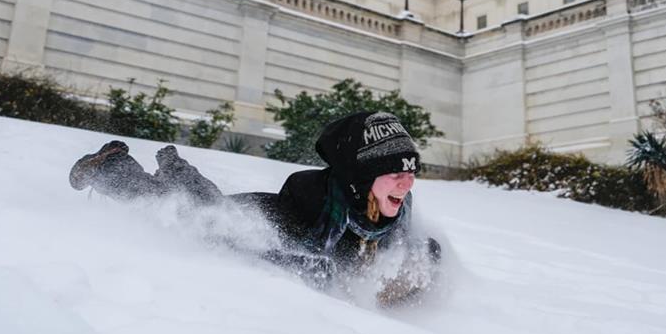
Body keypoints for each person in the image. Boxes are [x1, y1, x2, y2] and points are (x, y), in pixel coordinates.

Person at [68, 111, 440, 303]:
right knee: (183, 210)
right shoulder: (318, 204)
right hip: (255, 221)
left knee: (197, 199)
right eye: (393, 173)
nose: (406, 183)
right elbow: (293, 262)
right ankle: (110, 167)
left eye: (411, 172)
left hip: (269, 229)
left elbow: (402, 256)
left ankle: (172, 171)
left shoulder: (394, 210)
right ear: (361, 176)